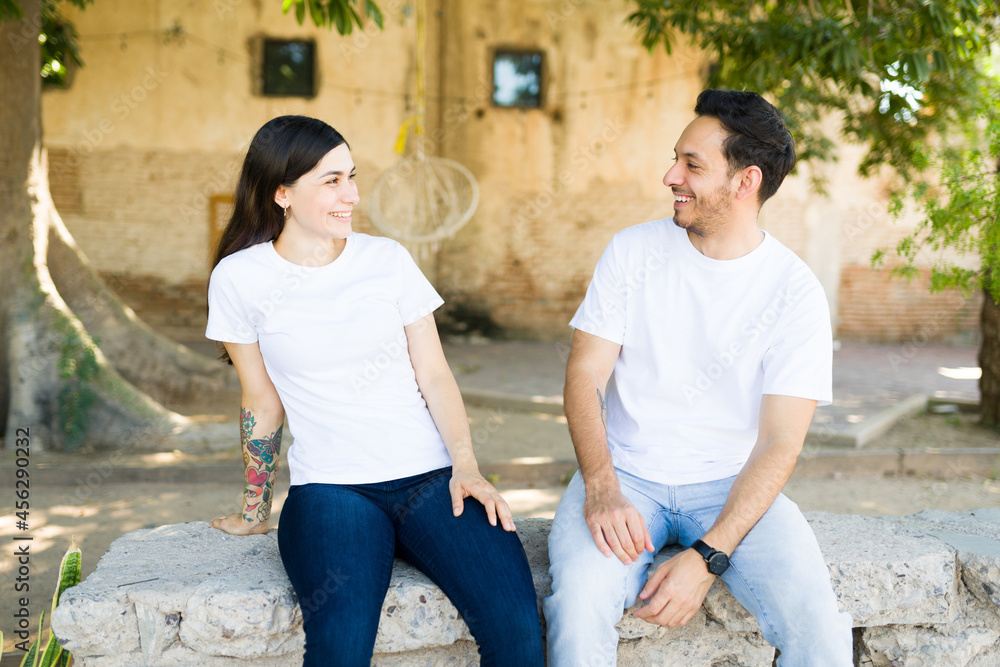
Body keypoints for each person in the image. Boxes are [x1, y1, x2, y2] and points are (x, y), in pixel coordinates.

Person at [205, 115, 544, 667]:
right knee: (340, 645)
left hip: (434, 480)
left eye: (352, 177)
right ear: (282, 194)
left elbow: (434, 375)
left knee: (518, 635)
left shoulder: (386, 260)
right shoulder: (240, 278)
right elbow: (261, 402)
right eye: (331, 180)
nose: (352, 195)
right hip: (334, 492)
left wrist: (466, 465)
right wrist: (253, 509)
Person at [543, 89, 854, 666]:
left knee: (820, 629)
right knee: (579, 608)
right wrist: (603, 487)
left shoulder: (795, 292)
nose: (670, 176)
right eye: (675, 158)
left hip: (731, 490)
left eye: (692, 165)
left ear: (745, 182)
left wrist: (709, 556)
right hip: (626, 476)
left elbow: (782, 441)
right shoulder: (632, 251)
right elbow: (584, 374)